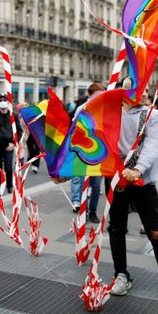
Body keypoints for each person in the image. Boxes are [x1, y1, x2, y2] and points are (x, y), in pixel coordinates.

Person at [108, 89, 158, 310]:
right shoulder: (111, 114)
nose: (145, 94)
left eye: (147, 90)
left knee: (157, 232)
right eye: (138, 89)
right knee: (116, 229)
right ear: (123, 93)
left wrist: (138, 169)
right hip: (116, 180)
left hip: (143, 183)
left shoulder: (154, 115)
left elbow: (153, 144)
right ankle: (121, 274)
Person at [68, 83, 105, 222]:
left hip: (98, 151)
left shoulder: (105, 109)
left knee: (95, 184)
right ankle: (80, 205)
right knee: (80, 178)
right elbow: (74, 127)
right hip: (82, 149)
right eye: (96, 95)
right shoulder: (81, 109)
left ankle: (93, 211)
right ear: (89, 95)